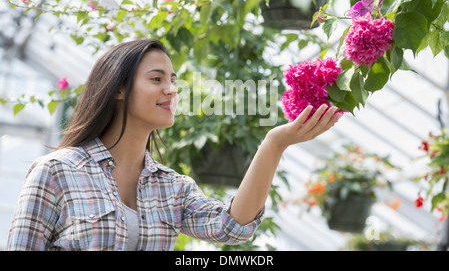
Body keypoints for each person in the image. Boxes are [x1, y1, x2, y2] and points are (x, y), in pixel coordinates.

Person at [7, 39, 342, 251]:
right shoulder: (58, 171)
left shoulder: (172, 187)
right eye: (156, 79)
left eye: (172, 81)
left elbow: (233, 227)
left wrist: (274, 144)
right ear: (119, 89)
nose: (171, 90)